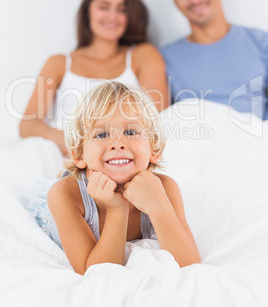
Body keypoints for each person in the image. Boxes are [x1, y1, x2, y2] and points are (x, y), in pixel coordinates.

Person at [45, 82, 200, 274]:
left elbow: (190, 265)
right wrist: (117, 210)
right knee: (52, 183)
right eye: (101, 134)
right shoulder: (65, 195)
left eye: (130, 132)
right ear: (79, 155)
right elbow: (94, 272)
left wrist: (158, 206)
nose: (118, 144)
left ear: (154, 149)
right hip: (52, 204)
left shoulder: (166, 189)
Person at [19, 0, 168, 156]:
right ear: (88, 10)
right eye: (104, 7)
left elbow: (158, 120)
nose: (113, 16)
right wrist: (74, 144)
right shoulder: (59, 63)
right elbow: (27, 124)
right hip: (65, 157)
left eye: (122, 9)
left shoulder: (142, 55)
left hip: (122, 158)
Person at [161, 0, 268, 119]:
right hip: (194, 142)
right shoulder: (164, 58)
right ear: (175, 1)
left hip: (256, 141)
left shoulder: (260, 42)